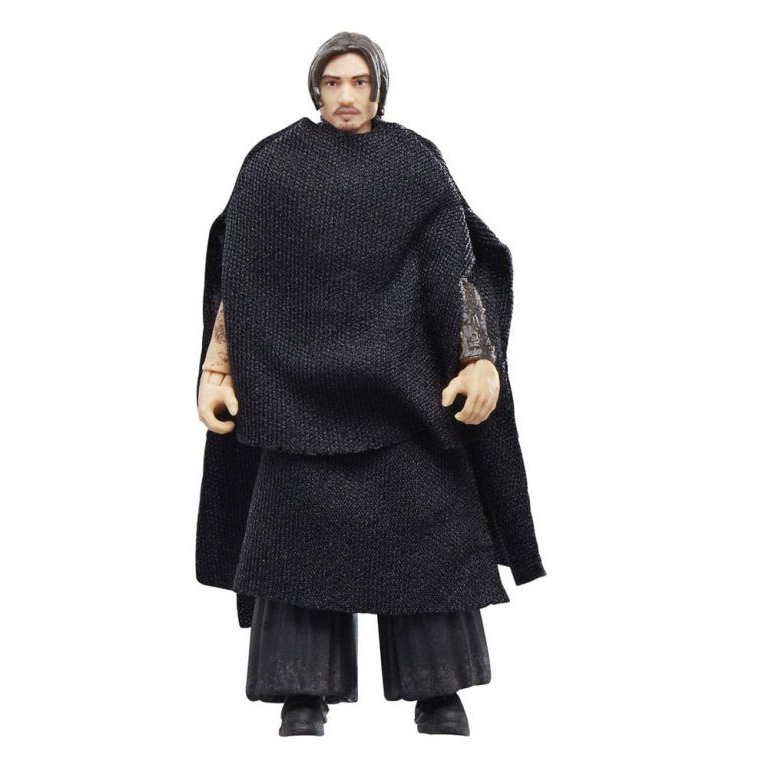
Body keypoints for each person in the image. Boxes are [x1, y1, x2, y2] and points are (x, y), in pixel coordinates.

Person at [195, 31, 544, 737]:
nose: (347, 96)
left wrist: (478, 356)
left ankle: (437, 691)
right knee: (295, 548)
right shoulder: (273, 166)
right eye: (333, 83)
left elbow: (457, 266)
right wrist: (216, 369)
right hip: (295, 400)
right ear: (315, 89)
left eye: (359, 82)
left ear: (379, 89)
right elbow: (240, 275)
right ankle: (302, 692)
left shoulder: (414, 163)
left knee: (429, 537)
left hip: (402, 397)